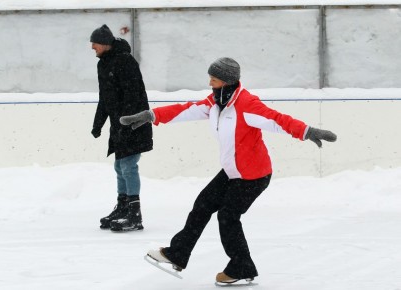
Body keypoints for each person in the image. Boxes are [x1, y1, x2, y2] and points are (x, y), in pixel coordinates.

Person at [119, 57, 337, 284]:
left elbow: (276, 119)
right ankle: (178, 254)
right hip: (232, 171)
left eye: (214, 78)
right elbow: (186, 110)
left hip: (253, 176)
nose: (210, 82)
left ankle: (240, 267)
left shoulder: (246, 104)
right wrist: (152, 115)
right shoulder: (215, 103)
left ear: (227, 80)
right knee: (202, 206)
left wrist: (307, 131)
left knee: (228, 216)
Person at [90, 24, 153, 232]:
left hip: (132, 122)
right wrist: (98, 123)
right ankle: (123, 207)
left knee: (128, 165)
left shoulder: (125, 61)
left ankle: (135, 214)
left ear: (105, 44)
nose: (92, 47)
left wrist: (128, 121)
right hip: (118, 124)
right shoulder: (103, 64)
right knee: (119, 166)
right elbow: (105, 98)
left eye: (95, 43)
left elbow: (135, 94)